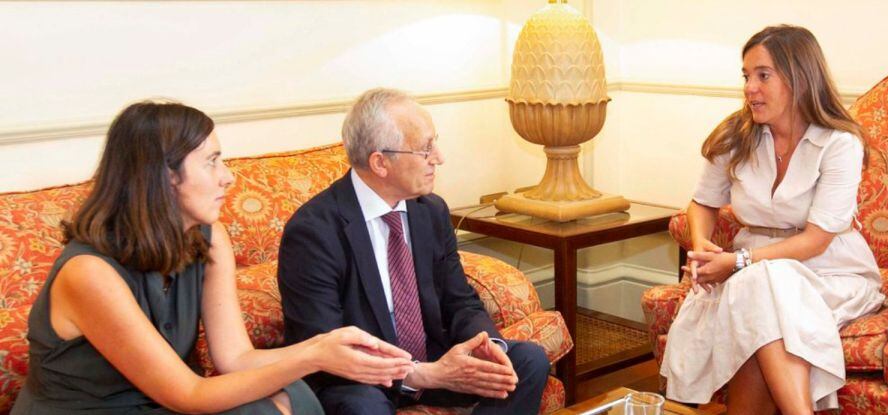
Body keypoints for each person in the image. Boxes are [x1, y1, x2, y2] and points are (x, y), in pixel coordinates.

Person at [12, 101, 415, 415]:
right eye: (211, 162)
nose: (228, 176)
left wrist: (329, 346)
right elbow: (188, 394)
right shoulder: (89, 273)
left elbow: (236, 359)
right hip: (95, 410)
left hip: (165, 403)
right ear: (165, 176)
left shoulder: (209, 238)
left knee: (288, 393)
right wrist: (312, 356)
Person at [276, 88, 550, 415]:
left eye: (434, 142)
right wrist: (420, 375)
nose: (439, 157)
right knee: (364, 408)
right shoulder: (314, 231)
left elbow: (458, 299)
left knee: (527, 361)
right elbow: (327, 346)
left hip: (431, 356)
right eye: (424, 148)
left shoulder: (430, 211)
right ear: (380, 162)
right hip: (358, 379)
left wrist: (488, 347)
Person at [659, 25, 885, 414]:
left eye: (763, 75)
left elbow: (816, 240)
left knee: (760, 287)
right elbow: (703, 203)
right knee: (758, 295)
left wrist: (737, 262)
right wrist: (700, 246)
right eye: (746, 76)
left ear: (799, 78)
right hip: (752, 272)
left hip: (828, 271)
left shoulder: (839, 143)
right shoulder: (736, 134)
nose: (750, 87)